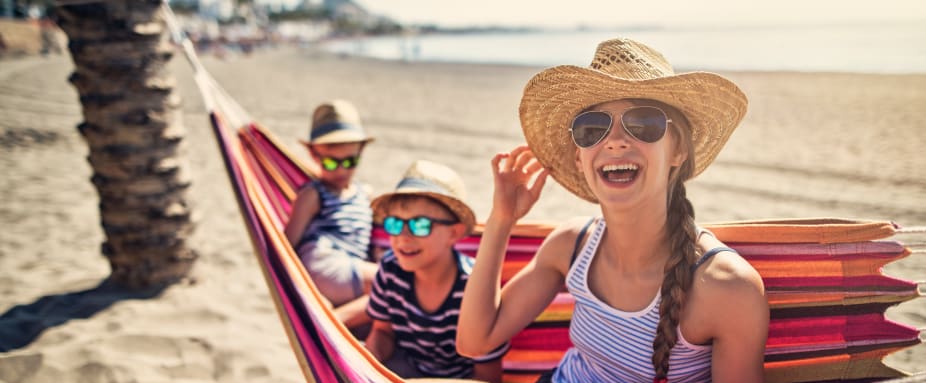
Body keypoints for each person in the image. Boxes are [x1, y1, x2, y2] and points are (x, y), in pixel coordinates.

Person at [457, 38, 769, 383]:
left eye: (644, 123)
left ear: (678, 149)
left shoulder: (725, 289)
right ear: (579, 157)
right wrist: (502, 219)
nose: (615, 140)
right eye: (591, 128)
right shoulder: (572, 246)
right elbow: (475, 341)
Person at [365, 160, 508, 383]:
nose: (403, 236)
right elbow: (383, 331)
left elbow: (487, 378)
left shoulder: (474, 288)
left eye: (420, 225)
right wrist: (368, 360)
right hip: (406, 368)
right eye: (394, 223)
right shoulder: (390, 268)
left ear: (454, 233)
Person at [284, 100, 377, 329]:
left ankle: (330, 317)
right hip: (324, 263)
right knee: (398, 284)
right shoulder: (313, 194)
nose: (342, 170)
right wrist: (297, 288)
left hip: (350, 270)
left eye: (350, 161)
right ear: (313, 155)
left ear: (361, 152)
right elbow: (285, 246)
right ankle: (331, 322)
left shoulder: (364, 194)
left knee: (397, 292)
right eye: (331, 163)